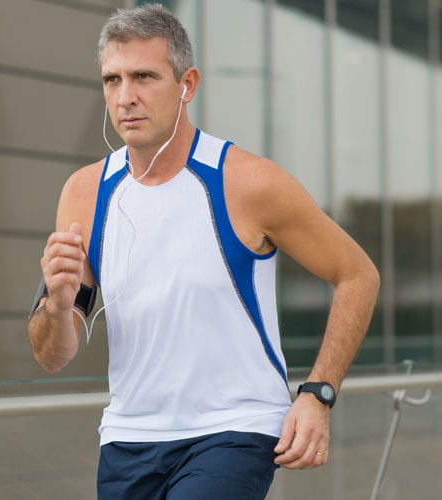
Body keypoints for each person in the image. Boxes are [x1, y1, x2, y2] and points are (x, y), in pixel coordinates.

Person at [27, 4, 380, 499]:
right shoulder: (84, 193)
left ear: (187, 84)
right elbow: (52, 356)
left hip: (234, 430)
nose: (125, 97)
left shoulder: (250, 183)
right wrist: (59, 307)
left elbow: (357, 275)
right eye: (112, 80)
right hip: (129, 440)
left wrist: (318, 395)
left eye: (144, 77)